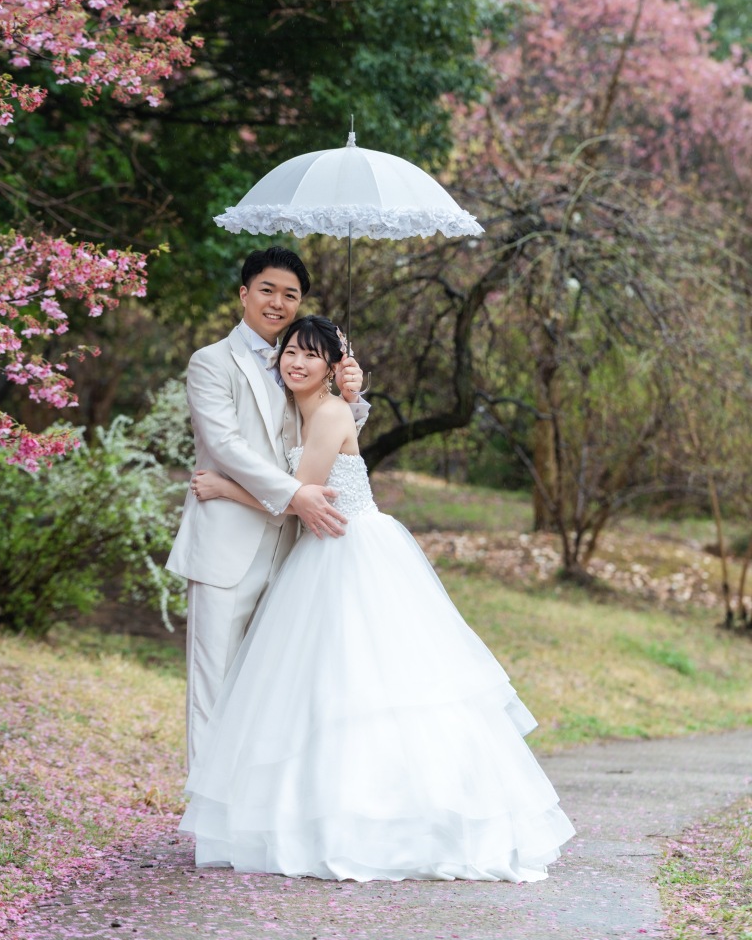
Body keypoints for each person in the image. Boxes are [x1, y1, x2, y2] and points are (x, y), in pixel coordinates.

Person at [180, 315, 575, 883]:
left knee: (362, 685)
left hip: (345, 550)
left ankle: (381, 822)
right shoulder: (314, 407)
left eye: (311, 356)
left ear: (331, 365)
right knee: (328, 686)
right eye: (290, 351)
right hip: (331, 548)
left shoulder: (331, 412)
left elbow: (301, 496)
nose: (296, 362)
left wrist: (223, 488)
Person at [166, 250, 368, 768]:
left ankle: (250, 814)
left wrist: (351, 395)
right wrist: (295, 494)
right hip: (226, 546)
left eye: (291, 295)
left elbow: (324, 435)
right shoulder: (212, 362)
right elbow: (226, 446)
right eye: (267, 290)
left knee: (266, 689)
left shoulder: (296, 360)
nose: (278, 302)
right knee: (213, 686)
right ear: (244, 293)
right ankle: (207, 827)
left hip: (292, 551)